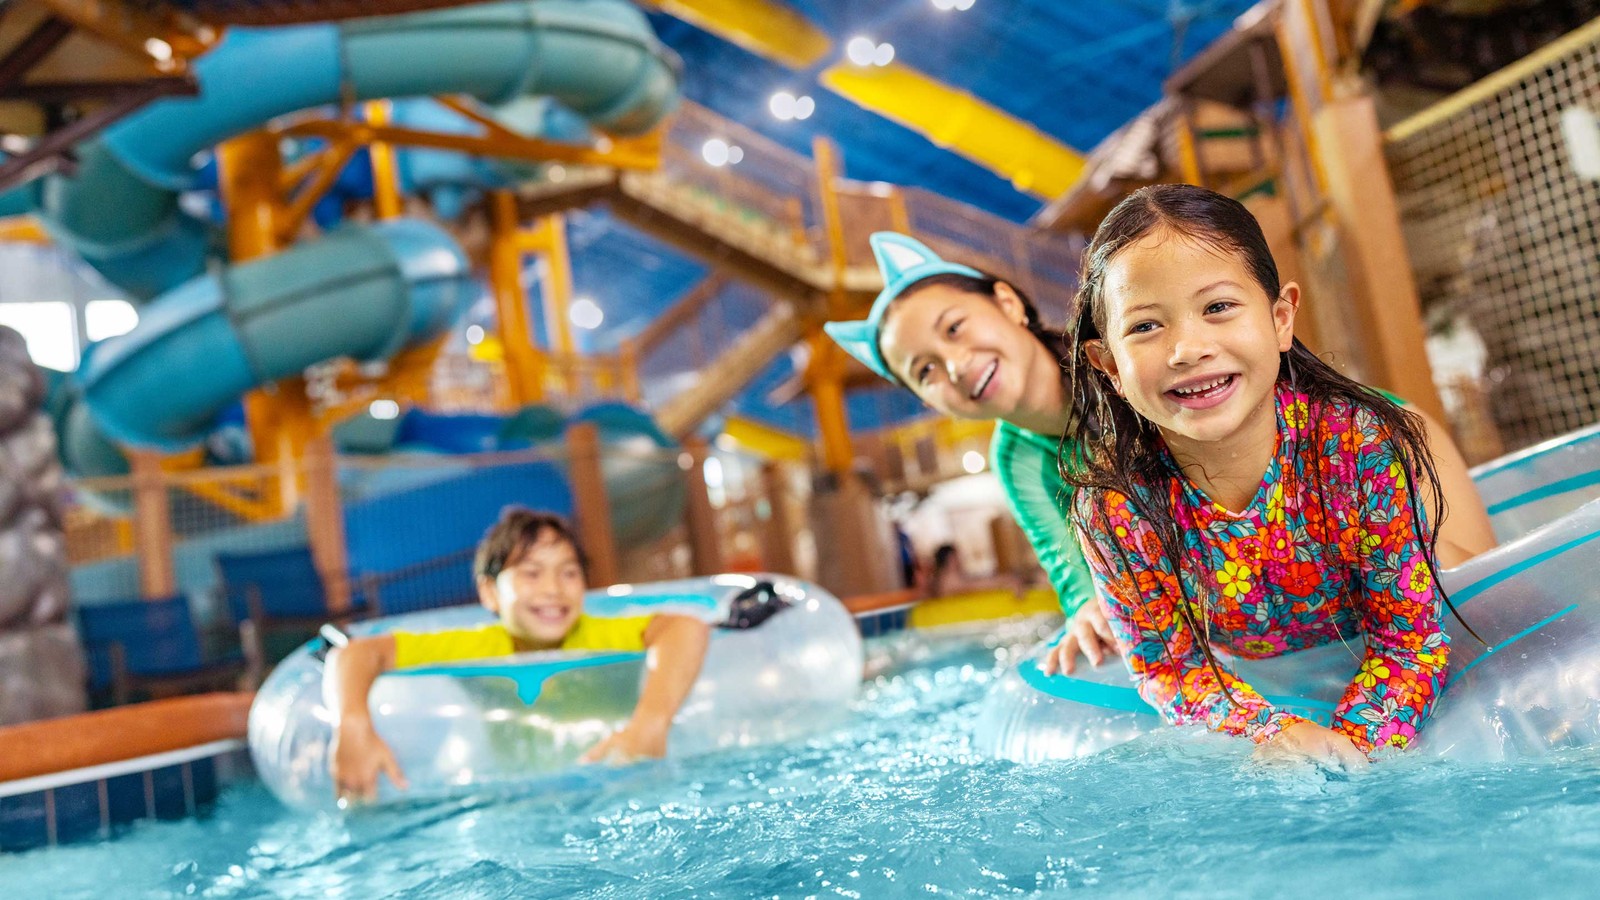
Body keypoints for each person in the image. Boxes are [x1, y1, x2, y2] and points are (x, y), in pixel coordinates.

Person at [1061, 183, 1495, 765]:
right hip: (1273, 653)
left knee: (1459, 568)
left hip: (1403, 573)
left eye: (1217, 307)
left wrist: (1355, 748)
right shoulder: (1115, 508)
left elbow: (1410, 641)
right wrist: (1273, 734)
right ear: (1108, 364)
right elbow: (1171, 666)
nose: (1187, 349)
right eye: (1145, 327)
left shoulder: (1355, 446)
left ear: (1281, 318)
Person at [824, 233, 1119, 676]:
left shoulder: (1118, 361)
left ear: (1008, 303)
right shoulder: (1017, 459)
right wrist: (1087, 613)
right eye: (926, 371)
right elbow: (1076, 579)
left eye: (954, 328)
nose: (956, 366)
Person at [326, 507, 711, 803]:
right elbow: (359, 652)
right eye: (531, 573)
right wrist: (354, 725)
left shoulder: (600, 636)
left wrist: (649, 724)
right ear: (489, 593)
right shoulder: (476, 647)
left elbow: (686, 627)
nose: (553, 589)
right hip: (517, 795)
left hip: (615, 783)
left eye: (568, 573)